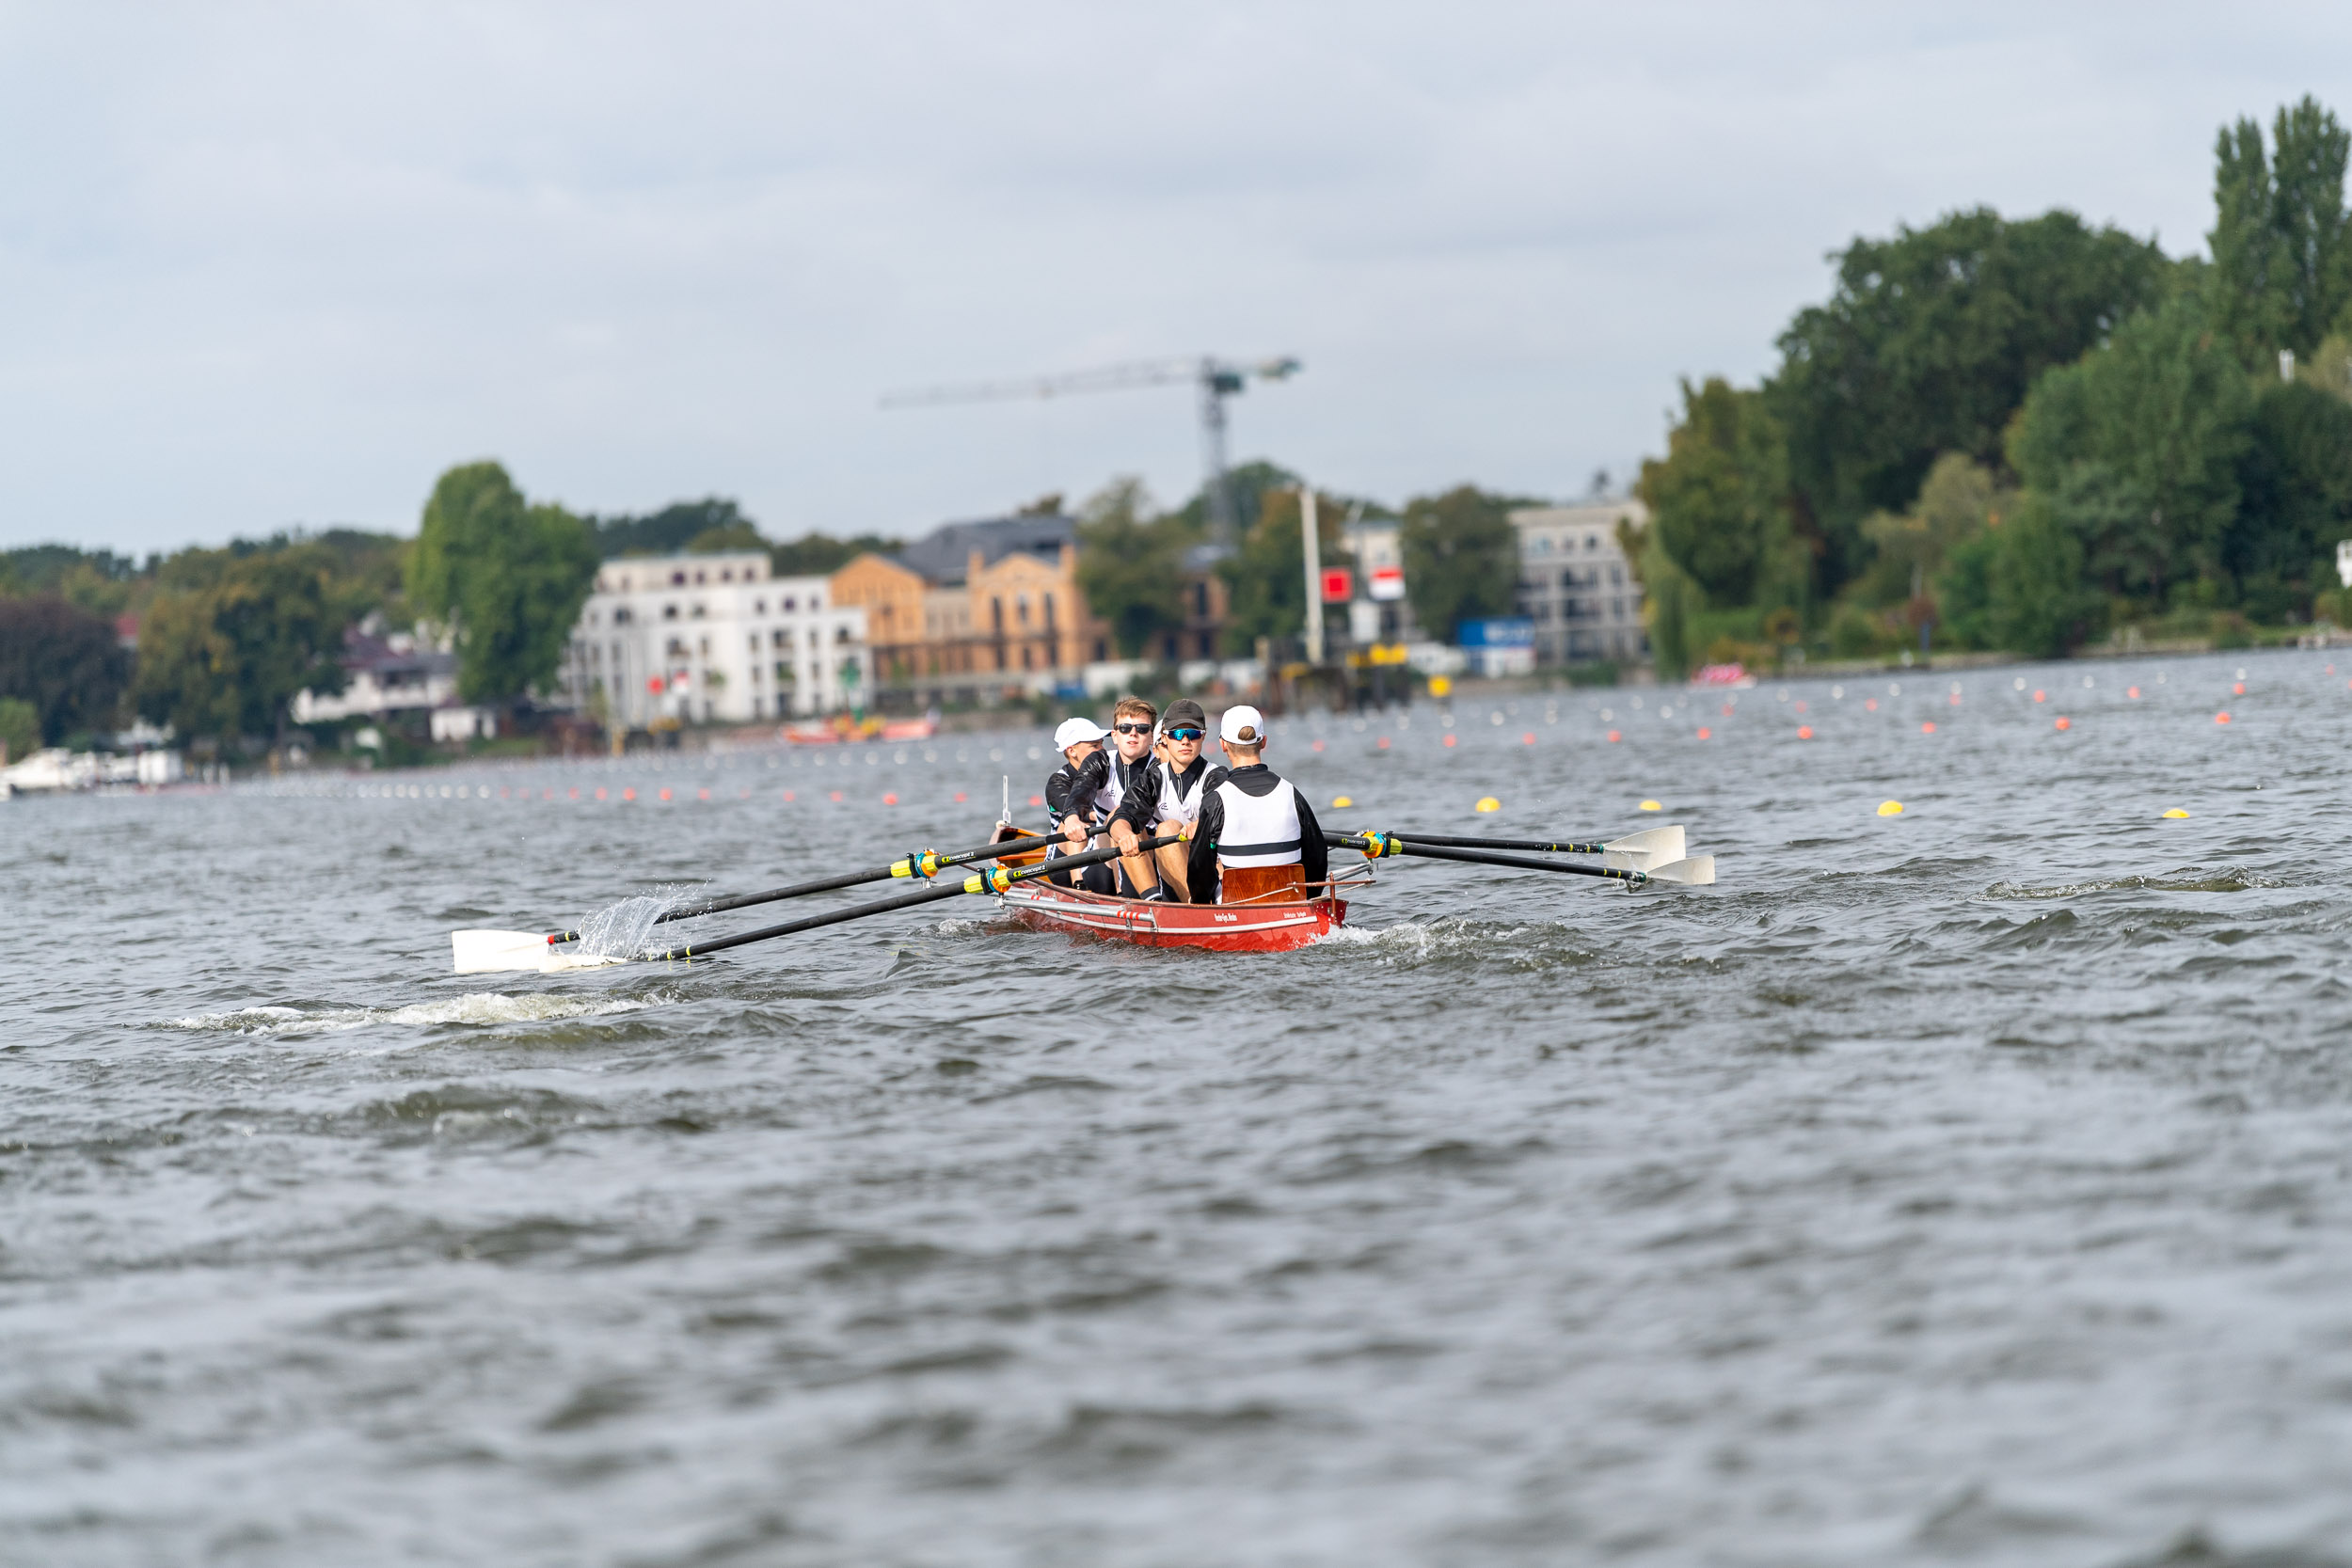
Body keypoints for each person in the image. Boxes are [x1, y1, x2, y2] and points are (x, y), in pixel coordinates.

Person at [1183, 705, 1327, 904]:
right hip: (1292, 904)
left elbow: (1200, 870)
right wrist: (1308, 900)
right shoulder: (1292, 793)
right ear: (1264, 742)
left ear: (1223, 745)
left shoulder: (1216, 799)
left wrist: (1199, 901)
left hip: (1237, 907)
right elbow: (1317, 858)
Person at [1108, 697, 1222, 903]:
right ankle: (1160, 901)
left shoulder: (1216, 776)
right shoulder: (1153, 778)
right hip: (1171, 879)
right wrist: (1124, 834)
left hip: (1211, 876)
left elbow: (1218, 809)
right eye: (1177, 734)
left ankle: (1200, 907)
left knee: (1168, 829)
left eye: (1193, 734)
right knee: (1148, 826)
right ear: (1164, 738)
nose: (1185, 741)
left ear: (1203, 737)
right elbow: (1123, 815)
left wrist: (1203, 825)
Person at [1042, 716, 1116, 894]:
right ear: (1072, 751)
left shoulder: (1108, 772)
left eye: (1101, 744)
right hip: (1062, 865)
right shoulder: (1058, 782)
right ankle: (1079, 885)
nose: (1102, 750)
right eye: (1094, 746)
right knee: (1073, 822)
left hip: (1098, 848)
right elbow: (1077, 812)